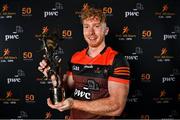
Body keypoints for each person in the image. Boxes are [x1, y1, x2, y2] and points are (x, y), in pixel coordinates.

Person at [38, 5, 130, 119]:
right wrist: (54, 77)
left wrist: (73, 104)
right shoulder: (76, 57)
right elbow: (66, 92)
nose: (91, 32)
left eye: (96, 26)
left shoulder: (117, 60)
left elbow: (117, 106)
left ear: (106, 31)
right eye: (86, 27)